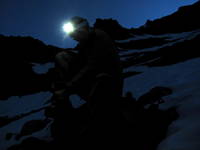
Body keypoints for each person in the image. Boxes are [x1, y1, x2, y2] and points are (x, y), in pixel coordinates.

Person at [54, 16, 123, 121]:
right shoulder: (84, 44)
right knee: (62, 56)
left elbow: (92, 66)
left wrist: (69, 86)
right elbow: (80, 64)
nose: (74, 38)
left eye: (74, 35)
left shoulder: (99, 37)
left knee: (101, 84)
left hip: (109, 80)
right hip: (94, 78)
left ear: (82, 29)